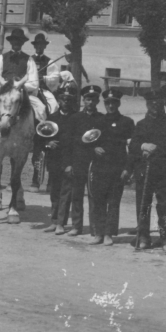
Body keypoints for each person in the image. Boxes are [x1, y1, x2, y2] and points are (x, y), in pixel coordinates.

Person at [0, 28, 46, 155]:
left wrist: (20, 87)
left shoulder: (29, 60)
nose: (16, 43)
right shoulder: (1, 58)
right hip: (4, 92)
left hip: (21, 92)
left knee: (40, 109)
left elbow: (34, 81)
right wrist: (5, 86)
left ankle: (36, 141)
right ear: (10, 42)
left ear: (23, 43)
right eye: (14, 40)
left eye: (19, 41)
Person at [127, 89, 166, 251]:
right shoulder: (141, 124)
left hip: (163, 171)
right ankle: (143, 237)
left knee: (164, 206)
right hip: (144, 171)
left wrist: (157, 148)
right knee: (143, 205)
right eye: (151, 104)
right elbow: (133, 146)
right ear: (147, 105)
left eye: (158, 103)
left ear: (162, 104)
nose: (155, 106)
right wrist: (143, 146)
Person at [87, 89, 135, 245]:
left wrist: (127, 168)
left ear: (119, 104)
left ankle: (109, 234)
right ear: (104, 104)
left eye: (114, 103)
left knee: (113, 202)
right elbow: (88, 142)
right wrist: (94, 149)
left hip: (117, 168)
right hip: (100, 167)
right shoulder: (98, 121)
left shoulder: (127, 122)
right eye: (107, 103)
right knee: (98, 201)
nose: (111, 106)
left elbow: (132, 148)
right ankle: (99, 233)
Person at [62, 85, 103, 237]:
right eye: (87, 99)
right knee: (76, 195)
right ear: (83, 101)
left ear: (98, 101)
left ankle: (94, 228)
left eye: (93, 99)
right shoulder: (75, 118)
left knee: (94, 196)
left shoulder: (102, 119)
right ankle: (76, 226)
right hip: (78, 161)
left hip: (95, 163)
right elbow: (68, 143)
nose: (90, 102)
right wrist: (68, 164)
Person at [41, 73, 79, 234]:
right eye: (63, 99)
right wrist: (48, 143)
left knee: (66, 193)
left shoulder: (77, 118)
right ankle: (54, 221)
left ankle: (61, 224)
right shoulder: (52, 117)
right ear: (59, 100)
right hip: (54, 160)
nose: (66, 102)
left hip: (69, 161)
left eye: (69, 100)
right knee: (54, 192)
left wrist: (72, 163)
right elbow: (42, 137)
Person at [30, 33, 60, 115]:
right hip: (29, 89)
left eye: (41, 45)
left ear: (45, 46)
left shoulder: (49, 61)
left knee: (53, 105)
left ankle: (49, 121)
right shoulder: (28, 60)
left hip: (42, 89)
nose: (39, 47)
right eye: (37, 44)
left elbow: (55, 77)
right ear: (34, 46)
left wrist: (43, 78)